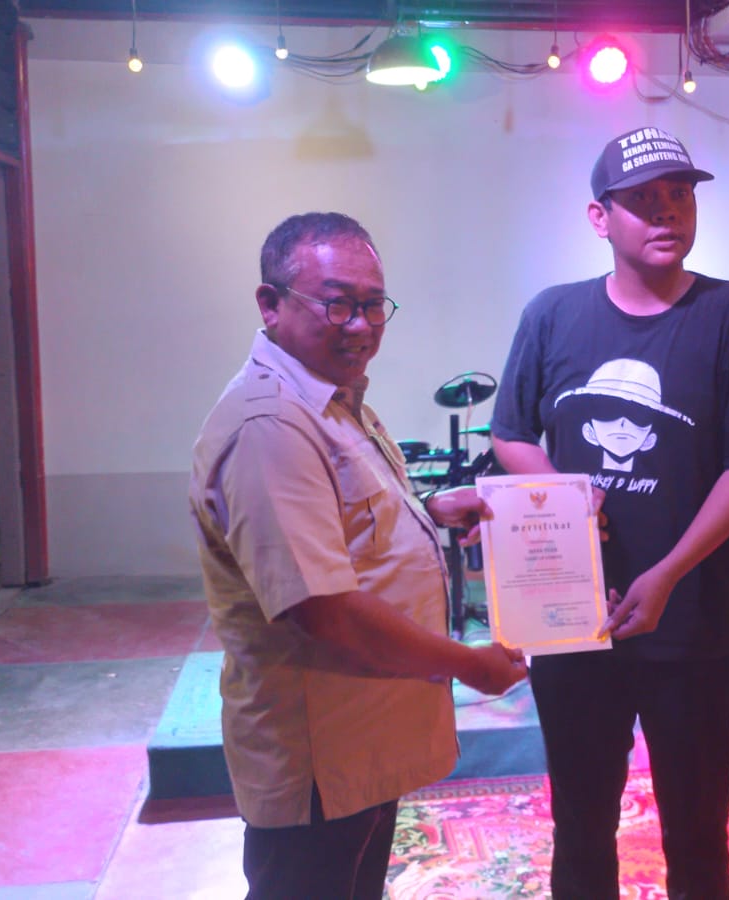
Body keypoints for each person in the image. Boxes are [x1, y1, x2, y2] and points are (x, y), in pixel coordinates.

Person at [491, 127, 729, 899]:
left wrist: (666, 573)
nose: (667, 212)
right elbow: (510, 433)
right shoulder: (553, 314)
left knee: (697, 837)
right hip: (575, 622)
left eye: (680, 195)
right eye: (642, 199)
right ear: (600, 218)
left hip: (693, 626)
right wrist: (566, 500)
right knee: (580, 828)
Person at [189, 212, 527, 899]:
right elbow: (326, 612)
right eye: (337, 303)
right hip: (319, 757)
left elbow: (340, 522)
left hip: (361, 738)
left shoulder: (329, 400)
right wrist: (470, 665)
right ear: (270, 304)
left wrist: (428, 511)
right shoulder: (271, 423)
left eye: (374, 305)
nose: (361, 324)